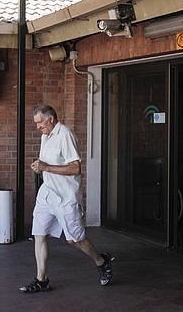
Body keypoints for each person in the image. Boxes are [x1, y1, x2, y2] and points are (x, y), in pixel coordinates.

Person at [20, 104, 114, 292]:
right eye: (36, 123)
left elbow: (75, 168)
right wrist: (40, 167)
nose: (38, 126)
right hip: (47, 194)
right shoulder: (45, 136)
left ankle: (101, 261)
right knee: (39, 234)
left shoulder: (65, 135)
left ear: (51, 119)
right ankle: (42, 279)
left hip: (66, 197)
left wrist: (46, 167)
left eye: (40, 122)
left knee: (75, 240)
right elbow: (48, 164)